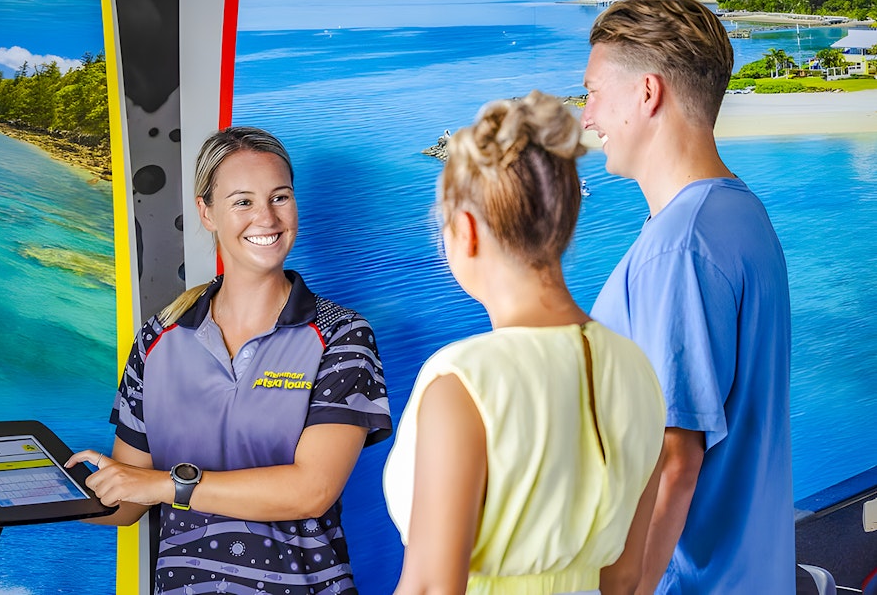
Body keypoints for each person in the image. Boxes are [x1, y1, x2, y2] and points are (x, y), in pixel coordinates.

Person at [66, 126, 393, 593]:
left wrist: (166, 486)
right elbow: (124, 504)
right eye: (242, 201)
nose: (266, 217)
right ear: (207, 212)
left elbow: (312, 490)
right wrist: (17, 471)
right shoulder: (159, 339)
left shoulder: (341, 336)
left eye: (280, 197)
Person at [383, 91, 666, 595]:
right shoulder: (635, 369)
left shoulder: (463, 381)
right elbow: (625, 580)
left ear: (464, 231)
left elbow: (429, 587)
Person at [581, 0, 794, 594]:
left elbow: (674, 461)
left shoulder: (679, 249)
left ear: (647, 93)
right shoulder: (741, 213)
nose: (586, 117)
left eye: (594, 91)